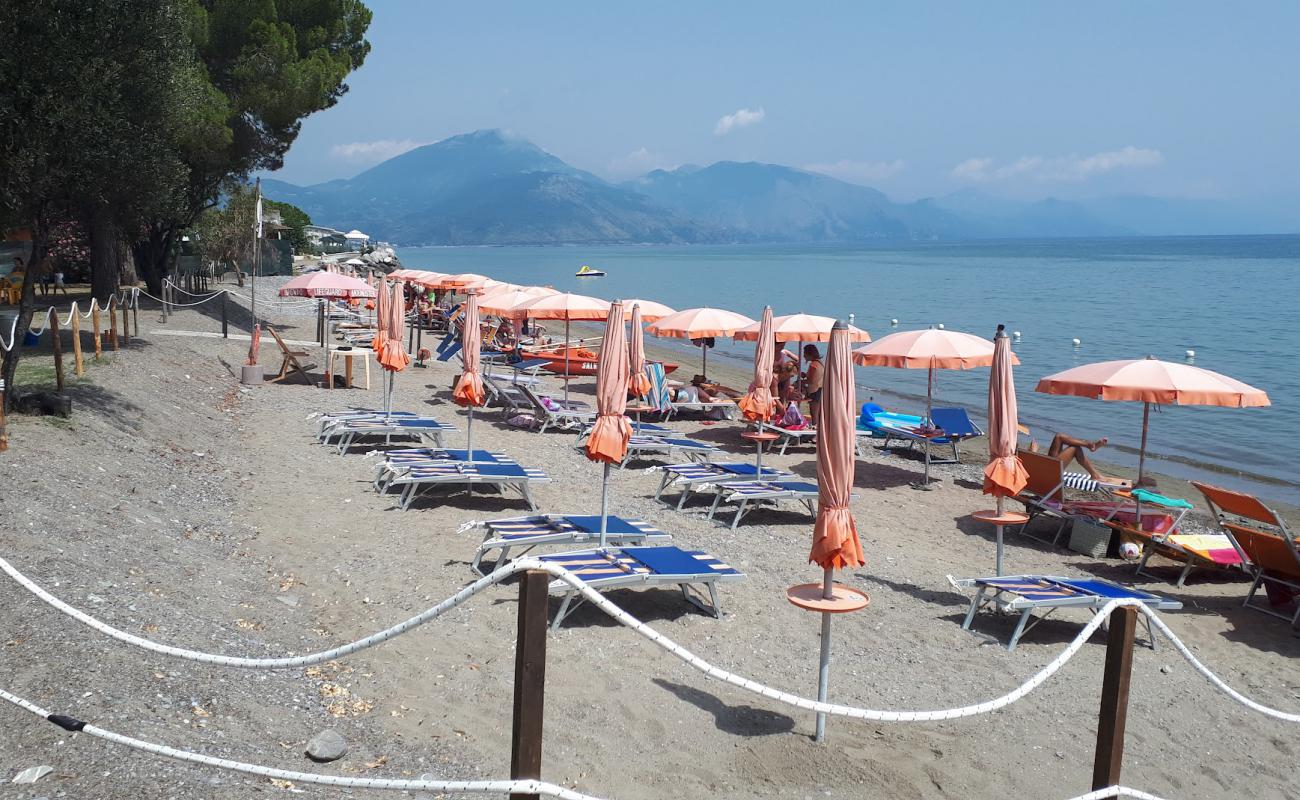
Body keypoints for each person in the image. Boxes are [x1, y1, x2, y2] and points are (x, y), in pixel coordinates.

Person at [1029, 434, 1142, 487]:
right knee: (1074, 449)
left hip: (1044, 469)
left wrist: (1031, 452)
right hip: (1048, 476)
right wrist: (1032, 452)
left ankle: (1090, 444)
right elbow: (1030, 470)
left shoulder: (1013, 455)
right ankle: (1095, 474)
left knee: (1059, 437)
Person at [801, 344, 824, 422]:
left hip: (815, 391)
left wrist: (800, 382)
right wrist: (805, 375)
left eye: (804, 353)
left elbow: (811, 381)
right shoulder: (820, 363)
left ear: (809, 353)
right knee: (819, 413)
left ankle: (815, 430)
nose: (803, 355)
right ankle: (818, 429)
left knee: (814, 414)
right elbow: (817, 376)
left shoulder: (813, 365)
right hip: (821, 389)